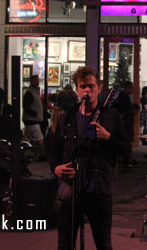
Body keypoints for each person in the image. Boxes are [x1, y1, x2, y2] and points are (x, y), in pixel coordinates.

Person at [48, 66, 125, 250]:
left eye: (91, 86)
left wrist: (108, 138)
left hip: (99, 190)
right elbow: (53, 150)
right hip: (71, 188)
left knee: (103, 243)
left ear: (99, 88)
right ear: (77, 90)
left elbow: (126, 149)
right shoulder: (67, 118)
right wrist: (56, 168)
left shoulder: (111, 116)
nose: (87, 90)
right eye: (83, 87)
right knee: (65, 243)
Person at [23, 75, 45, 146]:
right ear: (32, 81)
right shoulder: (30, 93)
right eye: (36, 81)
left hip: (32, 120)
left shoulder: (34, 92)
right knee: (40, 139)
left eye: (38, 81)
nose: (37, 82)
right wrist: (34, 114)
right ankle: (39, 153)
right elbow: (26, 106)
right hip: (32, 121)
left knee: (27, 139)